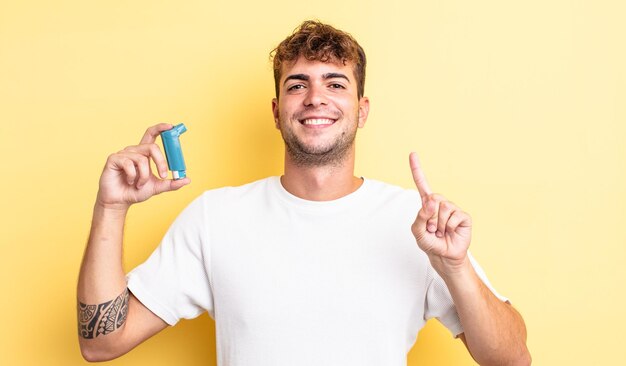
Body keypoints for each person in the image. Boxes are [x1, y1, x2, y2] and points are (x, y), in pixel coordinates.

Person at [77, 20, 531, 365]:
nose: (316, 97)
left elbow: (512, 358)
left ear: (362, 109)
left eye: (336, 83)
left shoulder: (417, 224)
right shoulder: (215, 218)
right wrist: (111, 208)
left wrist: (454, 267)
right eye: (298, 85)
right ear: (277, 112)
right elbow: (101, 343)